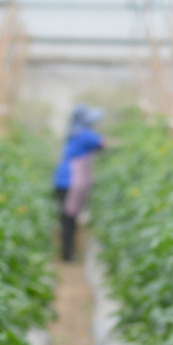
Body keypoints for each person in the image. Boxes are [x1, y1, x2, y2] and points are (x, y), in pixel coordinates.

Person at [52, 105, 106, 261]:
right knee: (69, 219)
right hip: (71, 180)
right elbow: (103, 144)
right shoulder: (85, 135)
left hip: (61, 180)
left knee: (66, 218)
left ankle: (67, 253)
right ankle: (68, 254)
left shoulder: (72, 133)